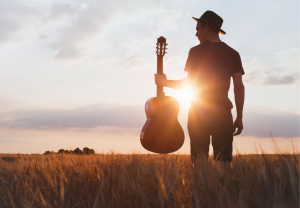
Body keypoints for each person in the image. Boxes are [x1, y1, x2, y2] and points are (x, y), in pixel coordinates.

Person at [155, 10, 245, 169]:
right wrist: (239, 117)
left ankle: (200, 194)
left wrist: (165, 82)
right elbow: (239, 87)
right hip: (223, 115)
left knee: (199, 165)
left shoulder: (196, 51)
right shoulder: (233, 54)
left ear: (207, 28)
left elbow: (191, 84)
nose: (196, 33)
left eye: (198, 29)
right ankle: (225, 194)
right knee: (224, 165)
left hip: (198, 115)